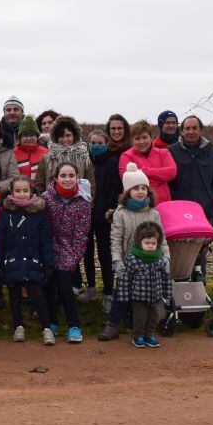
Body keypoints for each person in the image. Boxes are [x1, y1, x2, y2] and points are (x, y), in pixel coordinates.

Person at [101, 163, 170, 342]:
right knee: (122, 294)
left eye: (143, 188)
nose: (140, 192)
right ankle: (113, 324)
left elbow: (162, 239)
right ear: (127, 192)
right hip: (128, 263)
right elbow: (115, 240)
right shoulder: (120, 213)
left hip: (152, 263)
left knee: (150, 297)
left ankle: (147, 329)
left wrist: (166, 258)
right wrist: (117, 261)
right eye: (135, 188)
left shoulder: (153, 213)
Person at [0, 176, 55, 344]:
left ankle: (46, 328)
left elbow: (46, 241)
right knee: (14, 295)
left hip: (33, 261)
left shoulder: (39, 215)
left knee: (38, 296)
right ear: (11, 192)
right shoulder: (5, 215)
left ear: (31, 191)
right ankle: (18, 326)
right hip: (13, 261)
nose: (21, 194)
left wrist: (48, 263)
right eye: (18, 191)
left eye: (25, 191)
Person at [169, 115, 213, 280]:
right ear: (182, 130)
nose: (191, 132)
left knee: (200, 251)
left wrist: (212, 198)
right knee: (178, 251)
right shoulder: (171, 152)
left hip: (203, 211)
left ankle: (199, 287)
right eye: (187, 128)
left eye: (194, 128)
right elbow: (167, 179)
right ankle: (179, 288)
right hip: (177, 213)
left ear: (201, 130)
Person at [41, 162, 90, 343]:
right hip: (47, 248)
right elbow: (42, 227)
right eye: (63, 176)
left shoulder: (83, 202)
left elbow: (81, 235)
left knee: (64, 286)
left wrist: (73, 257)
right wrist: (44, 252)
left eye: (71, 175)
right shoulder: (46, 199)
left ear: (78, 178)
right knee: (48, 285)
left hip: (68, 251)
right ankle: (51, 322)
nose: (67, 179)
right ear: (56, 178)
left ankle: (73, 325)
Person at [114, 221, 172, 348]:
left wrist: (167, 295)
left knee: (153, 317)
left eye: (153, 243)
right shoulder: (132, 259)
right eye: (147, 243)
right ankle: (138, 336)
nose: (150, 246)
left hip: (155, 297)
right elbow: (125, 279)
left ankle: (149, 335)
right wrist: (124, 296)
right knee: (140, 318)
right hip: (138, 297)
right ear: (139, 243)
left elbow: (166, 278)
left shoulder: (160, 260)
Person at [81, 127, 118, 308]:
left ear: (106, 144)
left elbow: (115, 189)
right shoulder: (84, 161)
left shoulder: (112, 162)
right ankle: (91, 289)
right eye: (93, 143)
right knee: (86, 253)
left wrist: (108, 209)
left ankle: (109, 292)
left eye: (99, 143)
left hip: (104, 217)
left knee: (105, 254)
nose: (96, 146)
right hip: (85, 215)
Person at [119, 120, 177, 204]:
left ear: (151, 137)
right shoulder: (126, 156)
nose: (141, 142)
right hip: (137, 206)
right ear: (132, 140)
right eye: (137, 138)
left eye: (144, 137)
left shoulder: (163, 153)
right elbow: (128, 179)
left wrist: (144, 171)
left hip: (163, 204)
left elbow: (171, 172)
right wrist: (160, 176)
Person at [43, 115, 93, 194]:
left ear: (74, 135)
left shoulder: (84, 157)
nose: (65, 139)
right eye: (61, 136)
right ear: (56, 137)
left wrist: (88, 203)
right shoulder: (47, 158)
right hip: (50, 204)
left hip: (79, 204)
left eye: (68, 135)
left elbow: (91, 184)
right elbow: (39, 184)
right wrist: (44, 203)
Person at [10, 115, 48, 189]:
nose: (29, 138)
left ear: (37, 137)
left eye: (32, 135)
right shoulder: (12, 154)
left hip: (41, 193)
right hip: (20, 193)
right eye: (25, 135)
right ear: (20, 138)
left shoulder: (46, 152)